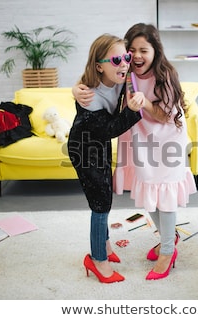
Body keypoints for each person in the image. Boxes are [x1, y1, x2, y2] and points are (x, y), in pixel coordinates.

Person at [73, 23, 197, 280]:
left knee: (166, 195)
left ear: (156, 52)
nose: (136, 57)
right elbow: (98, 75)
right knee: (151, 192)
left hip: (167, 140)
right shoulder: (125, 73)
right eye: (131, 51)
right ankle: (166, 236)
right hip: (141, 140)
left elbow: (167, 114)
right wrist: (74, 90)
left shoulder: (165, 75)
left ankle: (167, 251)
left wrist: (145, 106)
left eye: (143, 51)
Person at [67, 34, 144, 284]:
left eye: (126, 57)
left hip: (98, 145)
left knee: (105, 199)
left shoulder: (118, 76)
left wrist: (74, 85)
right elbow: (110, 129)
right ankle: (97, 259)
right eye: (116, 59)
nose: (123, 63)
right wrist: (132, 111)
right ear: (99, 65)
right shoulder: (90, 95)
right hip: (84, 148)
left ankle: (106, 247)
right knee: (100, 205)